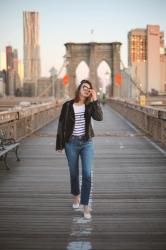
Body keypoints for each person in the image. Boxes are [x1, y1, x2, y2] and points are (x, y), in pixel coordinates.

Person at [56, 79, 103, 219]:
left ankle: (86, 206)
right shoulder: (68, 105)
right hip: (71, 143)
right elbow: (61, 125)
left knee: (87, 174)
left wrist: (95, 100)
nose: (86, 89)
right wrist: (60, 145)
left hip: (86, 143)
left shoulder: (90, 106)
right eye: (84, 87)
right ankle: (76, 196)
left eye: (89, 88)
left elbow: (99, 117)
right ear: (79, 89)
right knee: (74, 173)